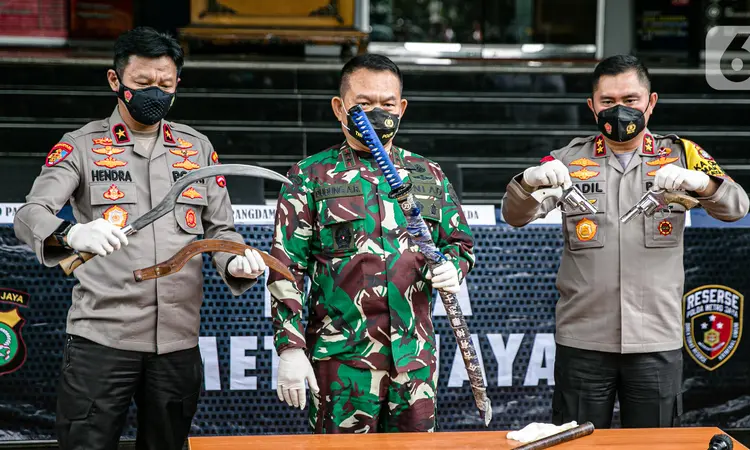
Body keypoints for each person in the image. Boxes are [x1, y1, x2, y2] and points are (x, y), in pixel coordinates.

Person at [13, 27, 267, 450]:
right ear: (116, 82)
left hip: (177, 343)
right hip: (102, 340)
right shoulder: (81, 146)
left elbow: (221, 231)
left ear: (177, 84)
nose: (155, 93)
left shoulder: (197, 149)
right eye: (143, 83)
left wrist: (235, 260)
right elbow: (29, 215)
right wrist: (73, 231)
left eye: (165, 85)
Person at [501, 55, 749, 429]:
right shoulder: (567, 159)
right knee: (577, 442)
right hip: (584, 339)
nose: (619, 111)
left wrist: (701, 183)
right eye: (608, 102)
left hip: (655, 340)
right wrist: (530, 179)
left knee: (653, 444)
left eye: (631, 100)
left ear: (650, 103)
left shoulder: (683, 155)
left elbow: (736, 207)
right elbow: (514, 215)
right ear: (592, 106)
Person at [267, 54, 475, 434]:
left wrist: (452, 266)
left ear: (403, 108)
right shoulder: (310, 176)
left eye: (387, 104)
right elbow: (286, 267)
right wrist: (291, 347)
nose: (377, 113)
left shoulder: (427, 174)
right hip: (343, 362)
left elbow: (460, 243)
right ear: (339, 107)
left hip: (413, 361)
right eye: (363, 104)